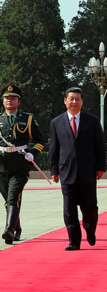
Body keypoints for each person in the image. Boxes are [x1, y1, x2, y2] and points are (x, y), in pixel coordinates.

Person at [49, 87, 106, 251]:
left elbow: (100, 146)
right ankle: (74, 241)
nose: (74, 102)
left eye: (77, 99)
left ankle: (90, 229)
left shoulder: (92, 121)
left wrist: (101, 167)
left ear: (82, 101)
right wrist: (54, 170)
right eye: (71, 99)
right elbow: (53, 148)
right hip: (66, 172)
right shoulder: (56, 122)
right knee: (69, 209)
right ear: (65, 101)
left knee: (90, 207)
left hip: (88, 171)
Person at [0, 84, 45, 244]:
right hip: (2, 165)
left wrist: (33, 153)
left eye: (12, 98)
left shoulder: (28, 119)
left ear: (18, 101)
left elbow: (41, 140)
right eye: (6, 98)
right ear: (3, 101)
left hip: (20, 164)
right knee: (8, 199)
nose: (9, 101)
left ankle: (9, 230)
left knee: (13, 197)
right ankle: (16, 227)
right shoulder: (0, 119)